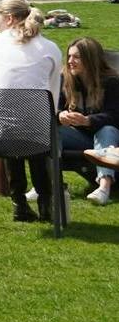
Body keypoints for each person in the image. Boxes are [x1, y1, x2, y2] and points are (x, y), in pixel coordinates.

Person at [0, 0, 63, 222]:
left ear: (8, 18)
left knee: (11, 126)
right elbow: (53, 95)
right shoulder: (50, 48)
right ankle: (45, 200)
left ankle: (19, 203)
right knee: (33, 130)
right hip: (37, 131)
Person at [57, 36, 119, 206]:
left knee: (107, 129)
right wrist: (60, 116)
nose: (70, 61)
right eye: (69, 56)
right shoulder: (65, 79)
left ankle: (104, 187)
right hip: (80, 138)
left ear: (90, 59)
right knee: (52, 129)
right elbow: (53, 108)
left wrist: (87, 120)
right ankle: (49, 184)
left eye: (76, 57)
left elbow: (115, 116)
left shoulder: (111, 82)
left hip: (109, 140)